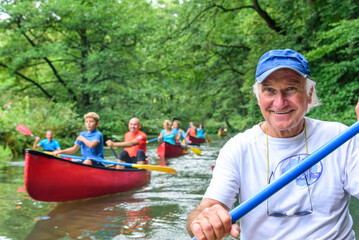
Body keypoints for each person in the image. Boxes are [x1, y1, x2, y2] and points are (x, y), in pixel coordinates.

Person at [186, 49, 359, 240]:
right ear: (258, 96)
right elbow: (206, 208)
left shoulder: (341, 137)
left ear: (309, 94)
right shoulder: (237, 148)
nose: (280, 102)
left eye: (291, 89)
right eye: (269, 90)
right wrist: (202, 221)